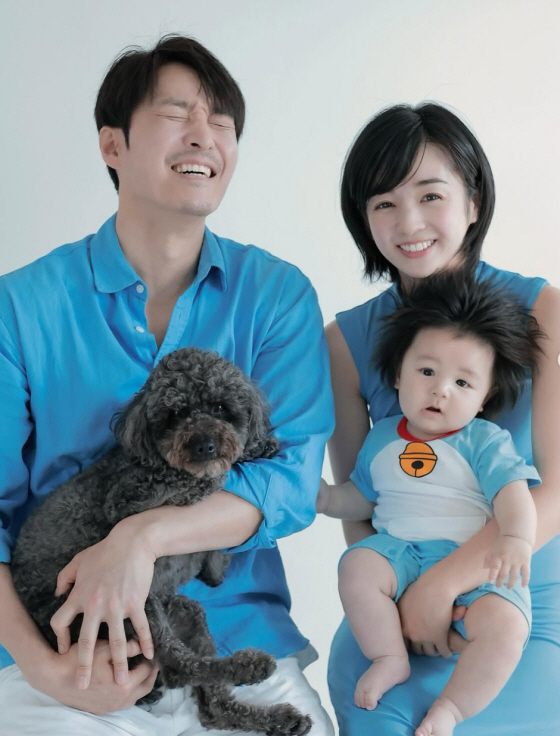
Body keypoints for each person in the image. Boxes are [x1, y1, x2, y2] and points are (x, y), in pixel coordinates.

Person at [0, 35, 335, 735]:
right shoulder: (21, 307)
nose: (204, 136)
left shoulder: (277, 296)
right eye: (177, 113)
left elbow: (289, 480)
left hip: (239, 638)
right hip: (63, 640)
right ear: (112, 145)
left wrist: (139, 539)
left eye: (222, 122)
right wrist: (41, 666)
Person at [326, 102, 560, 736]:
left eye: (431, 195)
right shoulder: (344, 342)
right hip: (397, 614)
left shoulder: (545, 310)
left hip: (522, 604)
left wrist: (445, 585)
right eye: (384, 203)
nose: (409, 223)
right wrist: (404, 601)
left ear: (474, 202)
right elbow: (360, 505)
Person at [319, 273, 543, 735]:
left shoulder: (484, 440)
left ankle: (452, 709)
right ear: (397, 374)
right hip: (400, 553)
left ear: (484, 398)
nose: (441, 390)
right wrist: (327, 499)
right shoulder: (382, 437)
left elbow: (514, 494)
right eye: (427, 372)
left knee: (506, 628)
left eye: (463, 382)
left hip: (471, 563)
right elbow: (362, 497)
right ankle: (389, 656)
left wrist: (516, 539)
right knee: (356, 567)